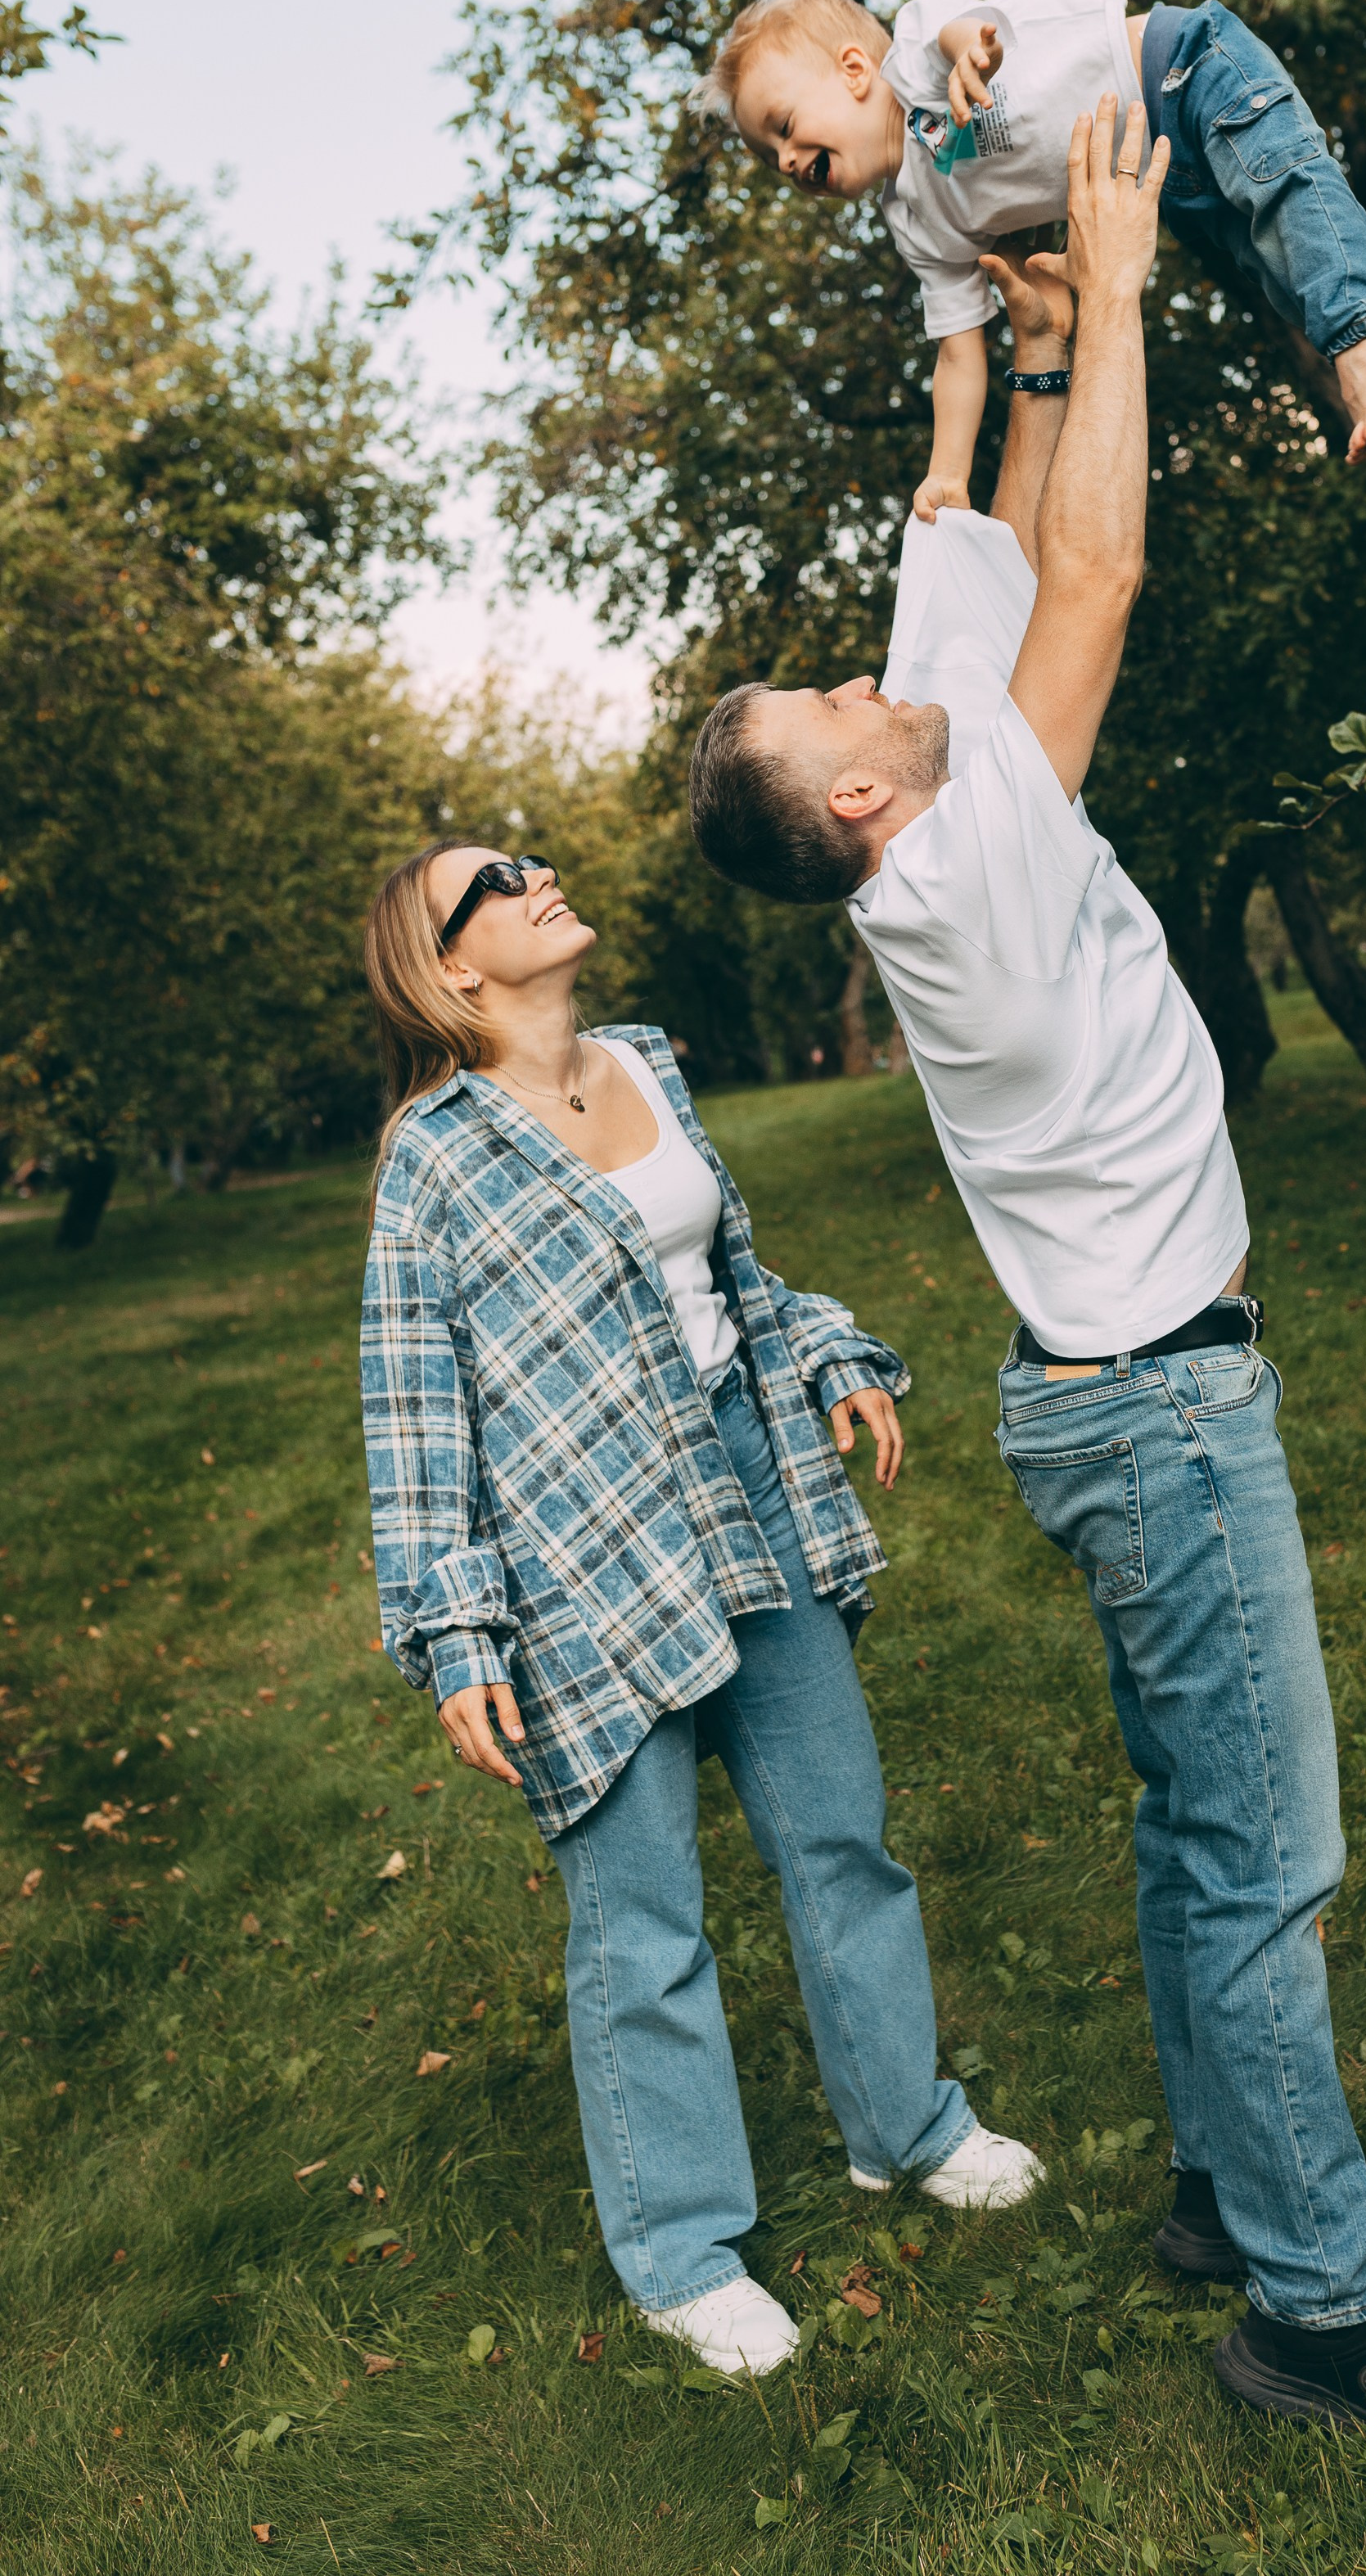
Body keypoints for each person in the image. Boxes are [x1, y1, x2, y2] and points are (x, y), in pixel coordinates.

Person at [687, 92, 1366, 2432]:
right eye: (827, 705)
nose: (859, 677)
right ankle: (1316, 2317)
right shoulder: (957, 873)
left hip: (1107, 1394)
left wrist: (1038, 351)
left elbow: (1013, 546)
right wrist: (1136, 286)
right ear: (855, 800)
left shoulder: (933, 794)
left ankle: (1214, 2190)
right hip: (1152, 1404)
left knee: (1187, 1821)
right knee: (1263, 1856)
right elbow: (1101, 590)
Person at [358, 844, 1039, 2378]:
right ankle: (678, 2247)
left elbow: (734, 1278)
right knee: (641, 1911)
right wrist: (455, 1627)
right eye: (498, 880)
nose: (540, 878)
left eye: (533, 859)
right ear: (450, 963)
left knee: (838, 1830)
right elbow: (414, 1402)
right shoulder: (438, 1152)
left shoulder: (648, 1061)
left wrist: (827, 1351)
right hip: (576, 1552)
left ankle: (904, 2123)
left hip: (745, 1481)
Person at [694, 0, 1366, 519]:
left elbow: (965, 27)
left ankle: (1359, 333)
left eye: (783, 128)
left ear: (852, 71)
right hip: (1172, 171)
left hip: (1186, 70)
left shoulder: (912, 55)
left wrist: (970, 52)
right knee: (1292, 266)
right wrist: (949, 473)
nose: (789, 162)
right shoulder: (919, 223)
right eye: (772, 162)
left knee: (1291, 194)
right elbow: (957, 353)